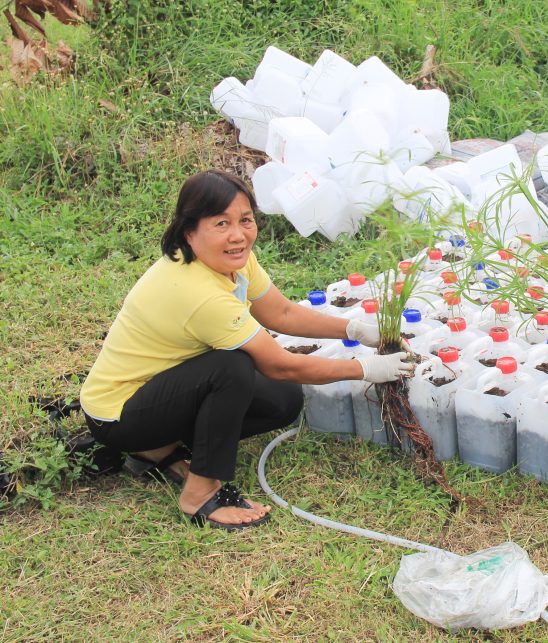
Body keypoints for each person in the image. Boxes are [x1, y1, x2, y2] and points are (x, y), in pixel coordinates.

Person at [80, 170, 412, 531]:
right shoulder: (196, 291)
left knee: (282, 400)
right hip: (118, 414)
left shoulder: (230, 259)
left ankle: (160, 447)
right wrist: (366, 369)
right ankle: (199, 494)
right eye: (221, 223)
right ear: (190, 232)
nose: (238, 234)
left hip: (163, 389)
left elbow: (280, 312)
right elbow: (281, 364)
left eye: (246, 220)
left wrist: (354, 329)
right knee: (233, 369)